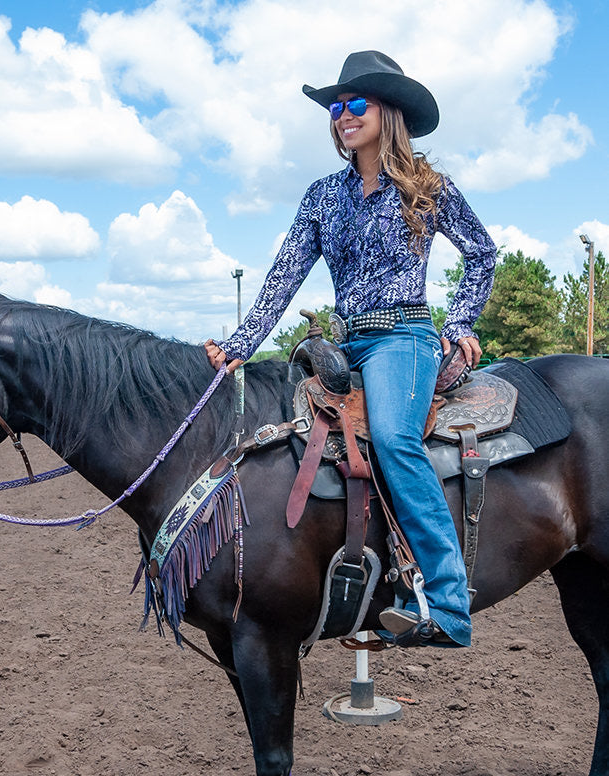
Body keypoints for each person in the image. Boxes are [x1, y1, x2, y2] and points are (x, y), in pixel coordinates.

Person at [205, 50, 496, 647]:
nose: (343, 114)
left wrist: (460, 320)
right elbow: (284, 275)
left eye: (356, 103)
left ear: (387, 112)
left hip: (403, 340)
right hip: (343, 343)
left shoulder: (426, 188)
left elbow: (483, 254)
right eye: (336, 106)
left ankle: (447, 605)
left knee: (392, 439)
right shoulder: (321, 195)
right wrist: (240, 345)